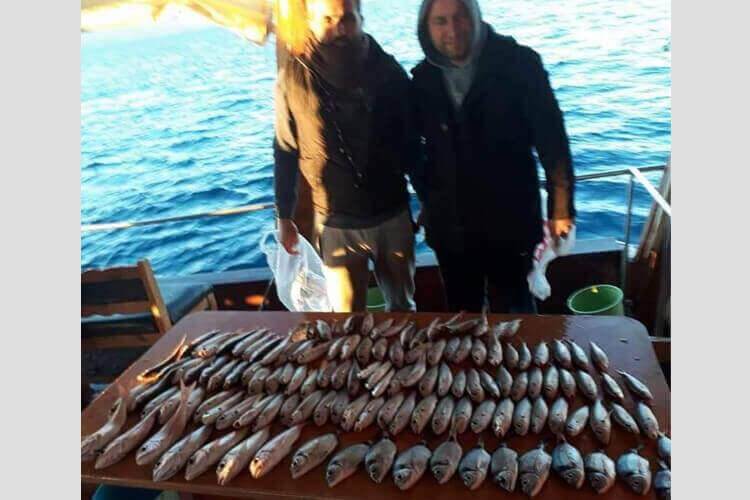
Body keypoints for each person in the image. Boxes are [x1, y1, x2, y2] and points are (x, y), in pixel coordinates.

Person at [410, 0, 576, 313]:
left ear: (476, 16)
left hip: (511, 220)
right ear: (426, 28)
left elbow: (552, 142)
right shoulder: (422, 78)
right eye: (440, 21)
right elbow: (413, 148)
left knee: (517, 313)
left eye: (460, 17)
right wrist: (428, 196)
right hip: (450, 226)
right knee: (462, 315)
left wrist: (562, 208)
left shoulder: (520, 63)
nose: (452, 30)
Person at [273, 0, 417, 312]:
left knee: (403, 309)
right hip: (335, 222)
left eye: (348, 19)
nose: (339, 29)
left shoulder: (389, 70)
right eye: (327, 19)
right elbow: (285, 149)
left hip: (392, 215)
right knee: (346, 319)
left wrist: (430, 198)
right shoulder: (293, 78)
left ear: (361, 18)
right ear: (311, 21)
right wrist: (284, 216)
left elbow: (411, 143)